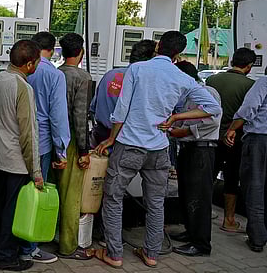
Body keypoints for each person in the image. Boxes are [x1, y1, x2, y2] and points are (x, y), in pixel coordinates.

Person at [94, 31, 222, 268]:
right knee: (156, 203)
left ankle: (114, 254)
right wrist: (176, 117)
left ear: (158, 45)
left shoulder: (138, 69)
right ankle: (151, 254)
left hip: (129, 144)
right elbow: (213, 108)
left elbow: (121, 109)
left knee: (113, 198)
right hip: (159, 149)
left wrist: (112, 138)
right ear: (179, 53)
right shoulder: (182, 77)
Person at [0, 39, 43, 271]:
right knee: (12, 209)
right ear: (29, 64)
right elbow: (28, 133)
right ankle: (5, 256)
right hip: (16, 161)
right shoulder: (23, 87)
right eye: (37, 62)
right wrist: (36, 170)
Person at [22, 31, 70, 264]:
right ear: (52, 49)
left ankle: (8, 240)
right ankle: (30, 248)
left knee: (15, 193)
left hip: (15, 142)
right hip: (40, 143)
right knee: (35, 195)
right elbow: (58, 116)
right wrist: (61, 149)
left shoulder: (18, 69)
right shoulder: (54, 74)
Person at [169, 61, 221, 257]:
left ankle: (201, 243)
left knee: (199, 196)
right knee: (187, 193)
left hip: (202, 149)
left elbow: (212, 119)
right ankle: (191, 232)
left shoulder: (207, 92)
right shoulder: (188, 95)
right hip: (188, 147)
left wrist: (186, 130)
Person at [206, 47, 256, 233]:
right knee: (232, 178)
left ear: (232, 61)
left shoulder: (212, 79)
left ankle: (204, 213)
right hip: (236, 139)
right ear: (249, 66)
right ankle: (229, 219)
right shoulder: (250, 85)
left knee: (208, 176)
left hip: (210, 136)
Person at [56, 33, 93, 260]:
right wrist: (83, 150)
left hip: (51, 141)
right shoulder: (83, 77)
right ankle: (68, 246)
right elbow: (80, 116)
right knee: (71, 196)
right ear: (81, 52)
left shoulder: (55, 73)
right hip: (70, 142)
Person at [224, 72, 267, 253]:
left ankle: (257, 238)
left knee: (254, 186)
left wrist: (232, 128)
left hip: (259, 139)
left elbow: (249, 107)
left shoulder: (263, 83)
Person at [89, 39, 156, 146]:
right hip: (124, 140)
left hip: (99, 135)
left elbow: (93, 107)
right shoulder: (143, 83)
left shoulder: (110, 75)